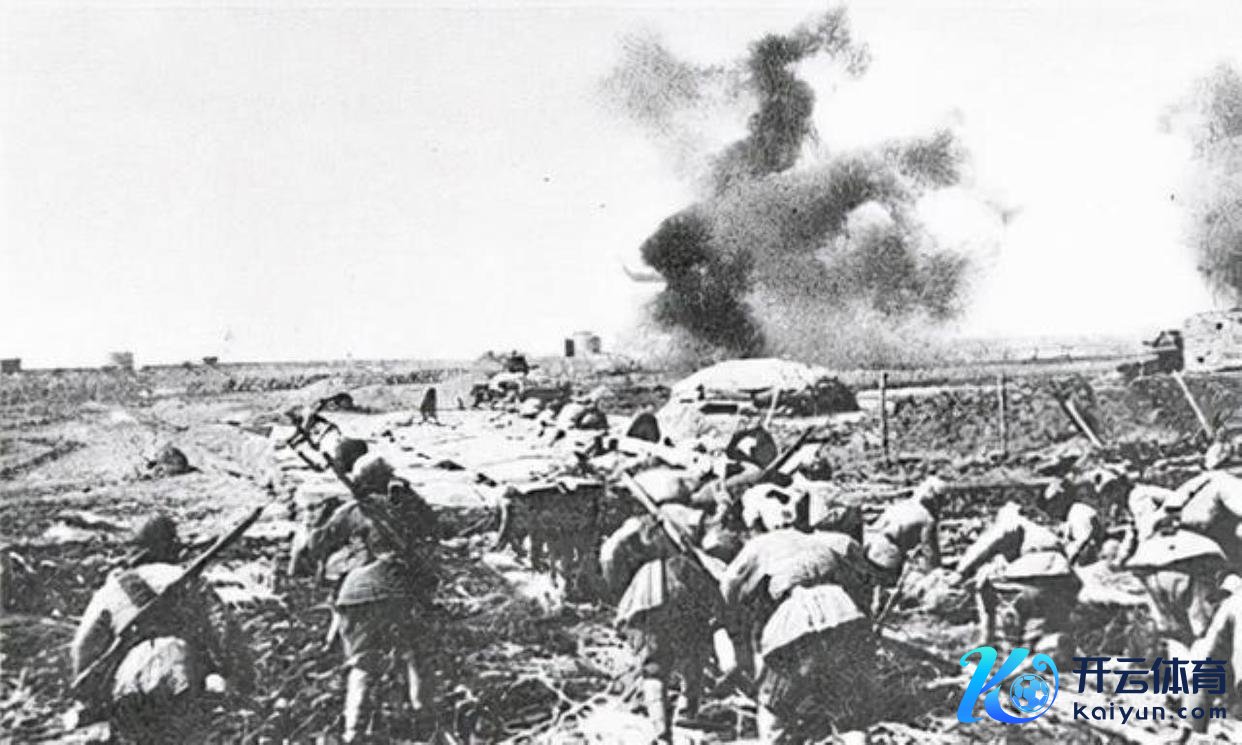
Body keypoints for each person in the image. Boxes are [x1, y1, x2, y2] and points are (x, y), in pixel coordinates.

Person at [70, 516, 254, 744]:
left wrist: (89, 701)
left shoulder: (110, 589)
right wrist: (239, 681)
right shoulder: (188, 579)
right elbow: (225, 631)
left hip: (129, 680)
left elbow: (83, 648)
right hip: (184, 673)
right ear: (171, 547)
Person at [720, 527, 879, 743]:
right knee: (847, 714)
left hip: (797, 618)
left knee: (774, 710)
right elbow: (861, 582)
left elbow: (729, 584)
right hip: (845, 614)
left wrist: (733, 626)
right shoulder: (823, 542)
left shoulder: (758, 545)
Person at [599, 503, 730, 743]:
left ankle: (663, 730)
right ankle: (685, 712)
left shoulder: (641, 528)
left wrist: (619, 590)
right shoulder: (667, 522)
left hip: (651, 589)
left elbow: (609, 556)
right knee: (694, 651)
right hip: (682, 581)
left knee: (656, 662)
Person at [330, 495, 440, 743]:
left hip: (351, 594)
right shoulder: (405, 538)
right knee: (414, 654)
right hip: (389, 592)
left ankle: (353, 731)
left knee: (362, 664)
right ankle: (422, 716)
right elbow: (425, 587)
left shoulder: (354, 520)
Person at [949, 502, 1082, 660]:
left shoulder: (1012, 522)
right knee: (1038, 619)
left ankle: (989, 640)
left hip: (1037, 568)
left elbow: (986, 545)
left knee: (984, 581)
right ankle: (1045, 644)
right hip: (1063, 576)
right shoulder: (1042, 532)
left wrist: (960, 572)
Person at [864, 477, 946, 587]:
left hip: (869, 545)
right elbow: (930, 553)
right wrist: (938, 575)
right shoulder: (928, 519)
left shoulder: (900, 505)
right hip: (885, 555)